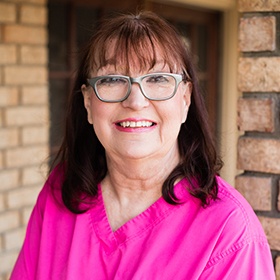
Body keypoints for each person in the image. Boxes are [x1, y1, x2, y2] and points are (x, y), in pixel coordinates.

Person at [11, 11, 275, 279]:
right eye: (112, 79)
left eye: (158, 79)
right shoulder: (61, 191)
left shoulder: (229, 231)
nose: (135, 102)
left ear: (185, 100)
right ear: (88, 103)